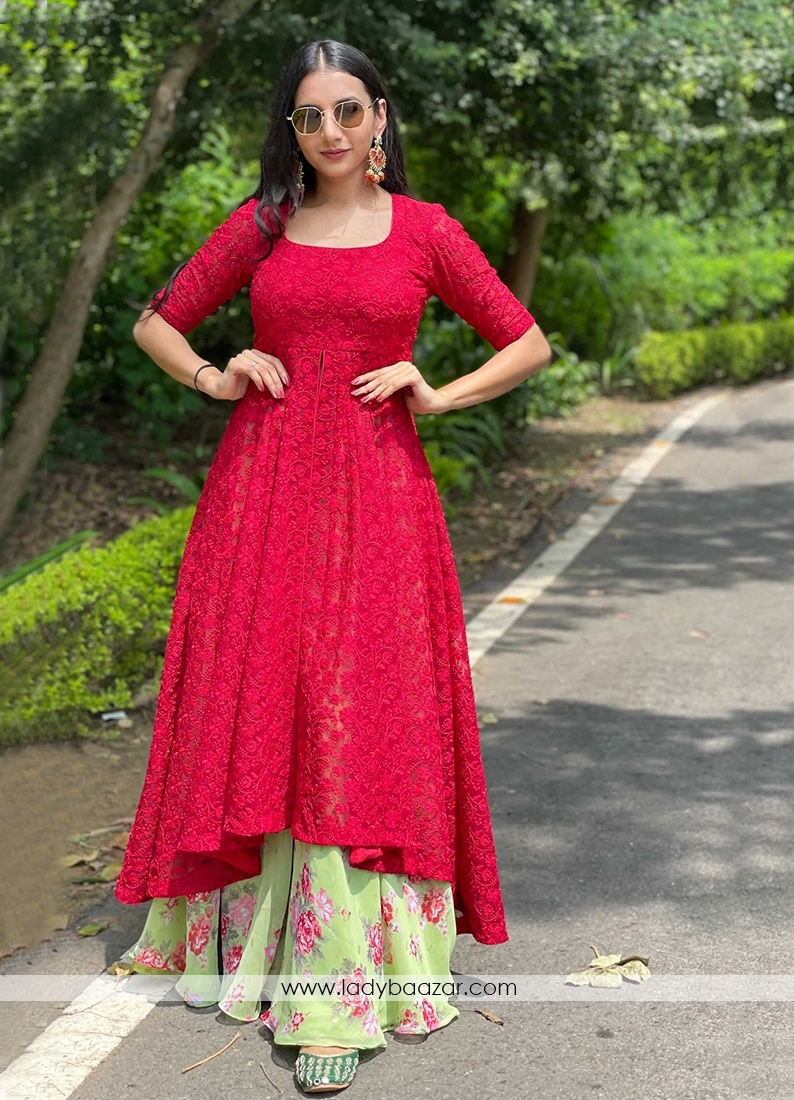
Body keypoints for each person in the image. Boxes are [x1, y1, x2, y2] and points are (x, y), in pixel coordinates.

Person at [113, 37, 551, 1095]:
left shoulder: (426, 231)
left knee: (359, 712)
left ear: (379, 116)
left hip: (380, 502)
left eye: (346, 110)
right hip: (261, 496)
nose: (330, 132)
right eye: (309, 117)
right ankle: (263, 950)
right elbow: (154, 321)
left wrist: (438, 389)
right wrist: (222, 371)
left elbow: (525, 339)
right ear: (293, 131)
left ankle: (340, 990)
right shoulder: (263, 225)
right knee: (272, 702)